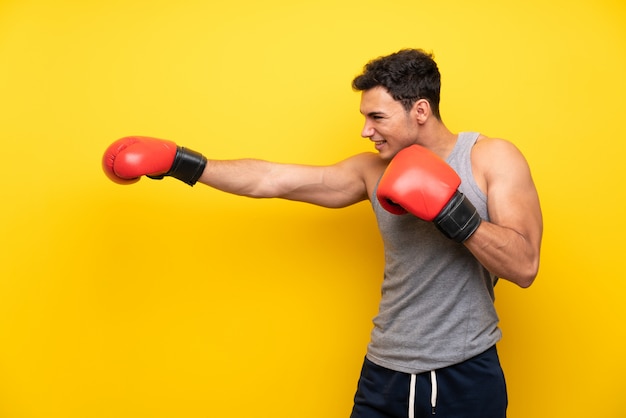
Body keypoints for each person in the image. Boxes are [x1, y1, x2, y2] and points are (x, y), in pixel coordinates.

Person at [102, 49, 543, 418]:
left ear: (421, 110)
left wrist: (450, 209)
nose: (365, 131)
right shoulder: (372, 172)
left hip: (463, 372)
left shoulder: (491, 159)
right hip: (383, 370)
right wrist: (183, 162)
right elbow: (273, 180)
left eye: (377, 117)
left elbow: (523, 266)